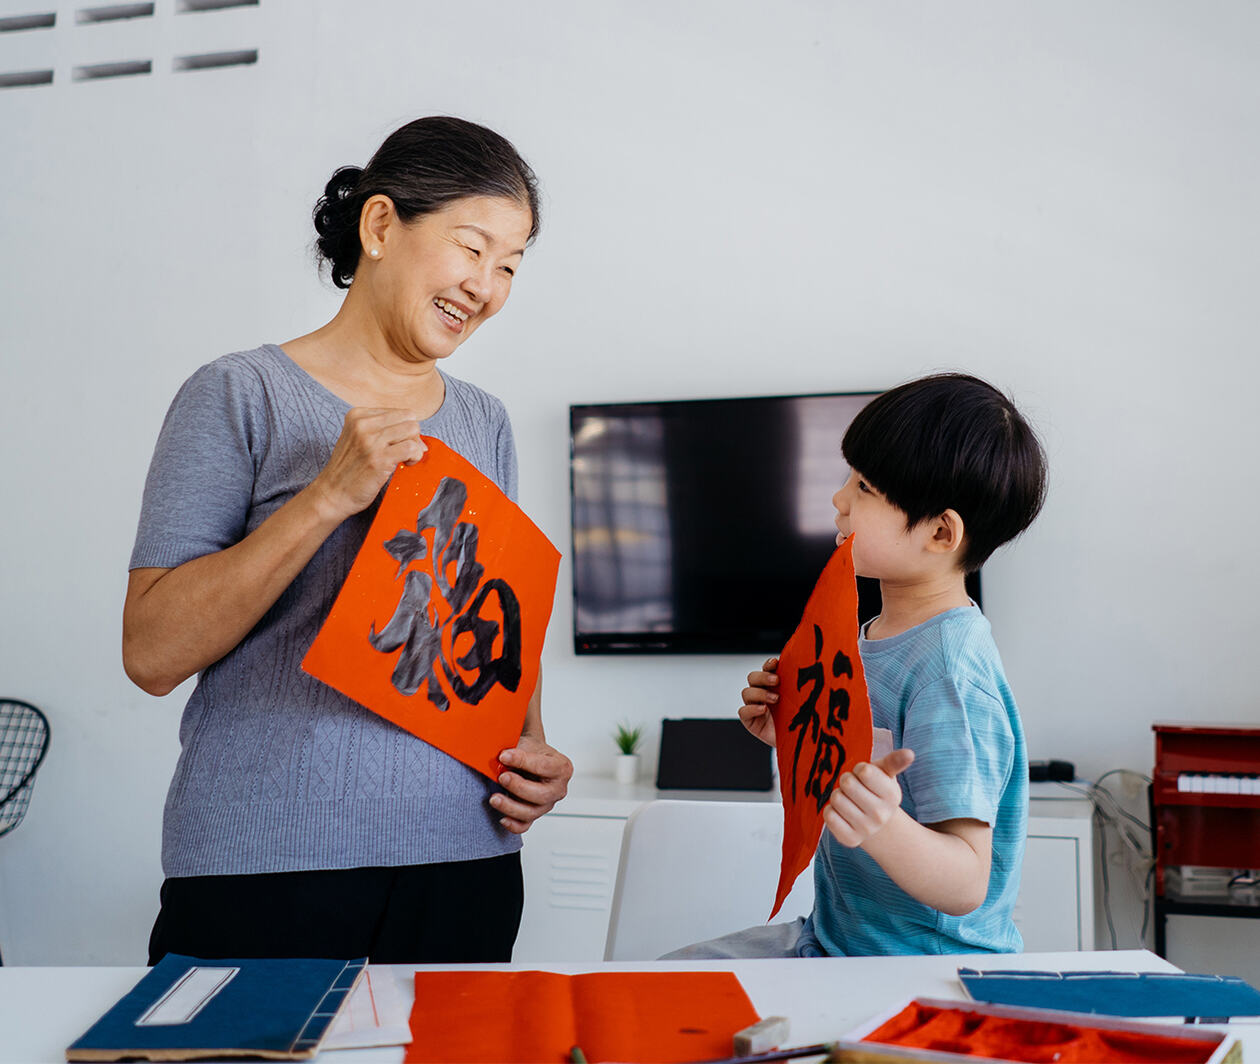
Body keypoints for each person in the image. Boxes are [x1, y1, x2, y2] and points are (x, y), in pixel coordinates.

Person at [122, 116, 573, 965]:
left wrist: (530, 750)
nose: (487, 284)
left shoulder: (485, 421)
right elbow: (150, 652)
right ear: (378, 226)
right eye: (472, 248)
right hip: (269, 866)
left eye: (511, 264)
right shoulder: (239, 394)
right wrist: (327, 496)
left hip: (464, 862)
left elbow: (494, 620)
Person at [671, 372, 1047, 958]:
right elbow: (856, 765)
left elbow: (967, 881)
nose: (838, 498)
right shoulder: (872, 630)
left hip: (914, 971)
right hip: (837, 941)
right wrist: (794, 738)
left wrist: (883, 826)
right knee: (666, 980)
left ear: (941, 532)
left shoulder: (949, 669)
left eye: (865, 488)